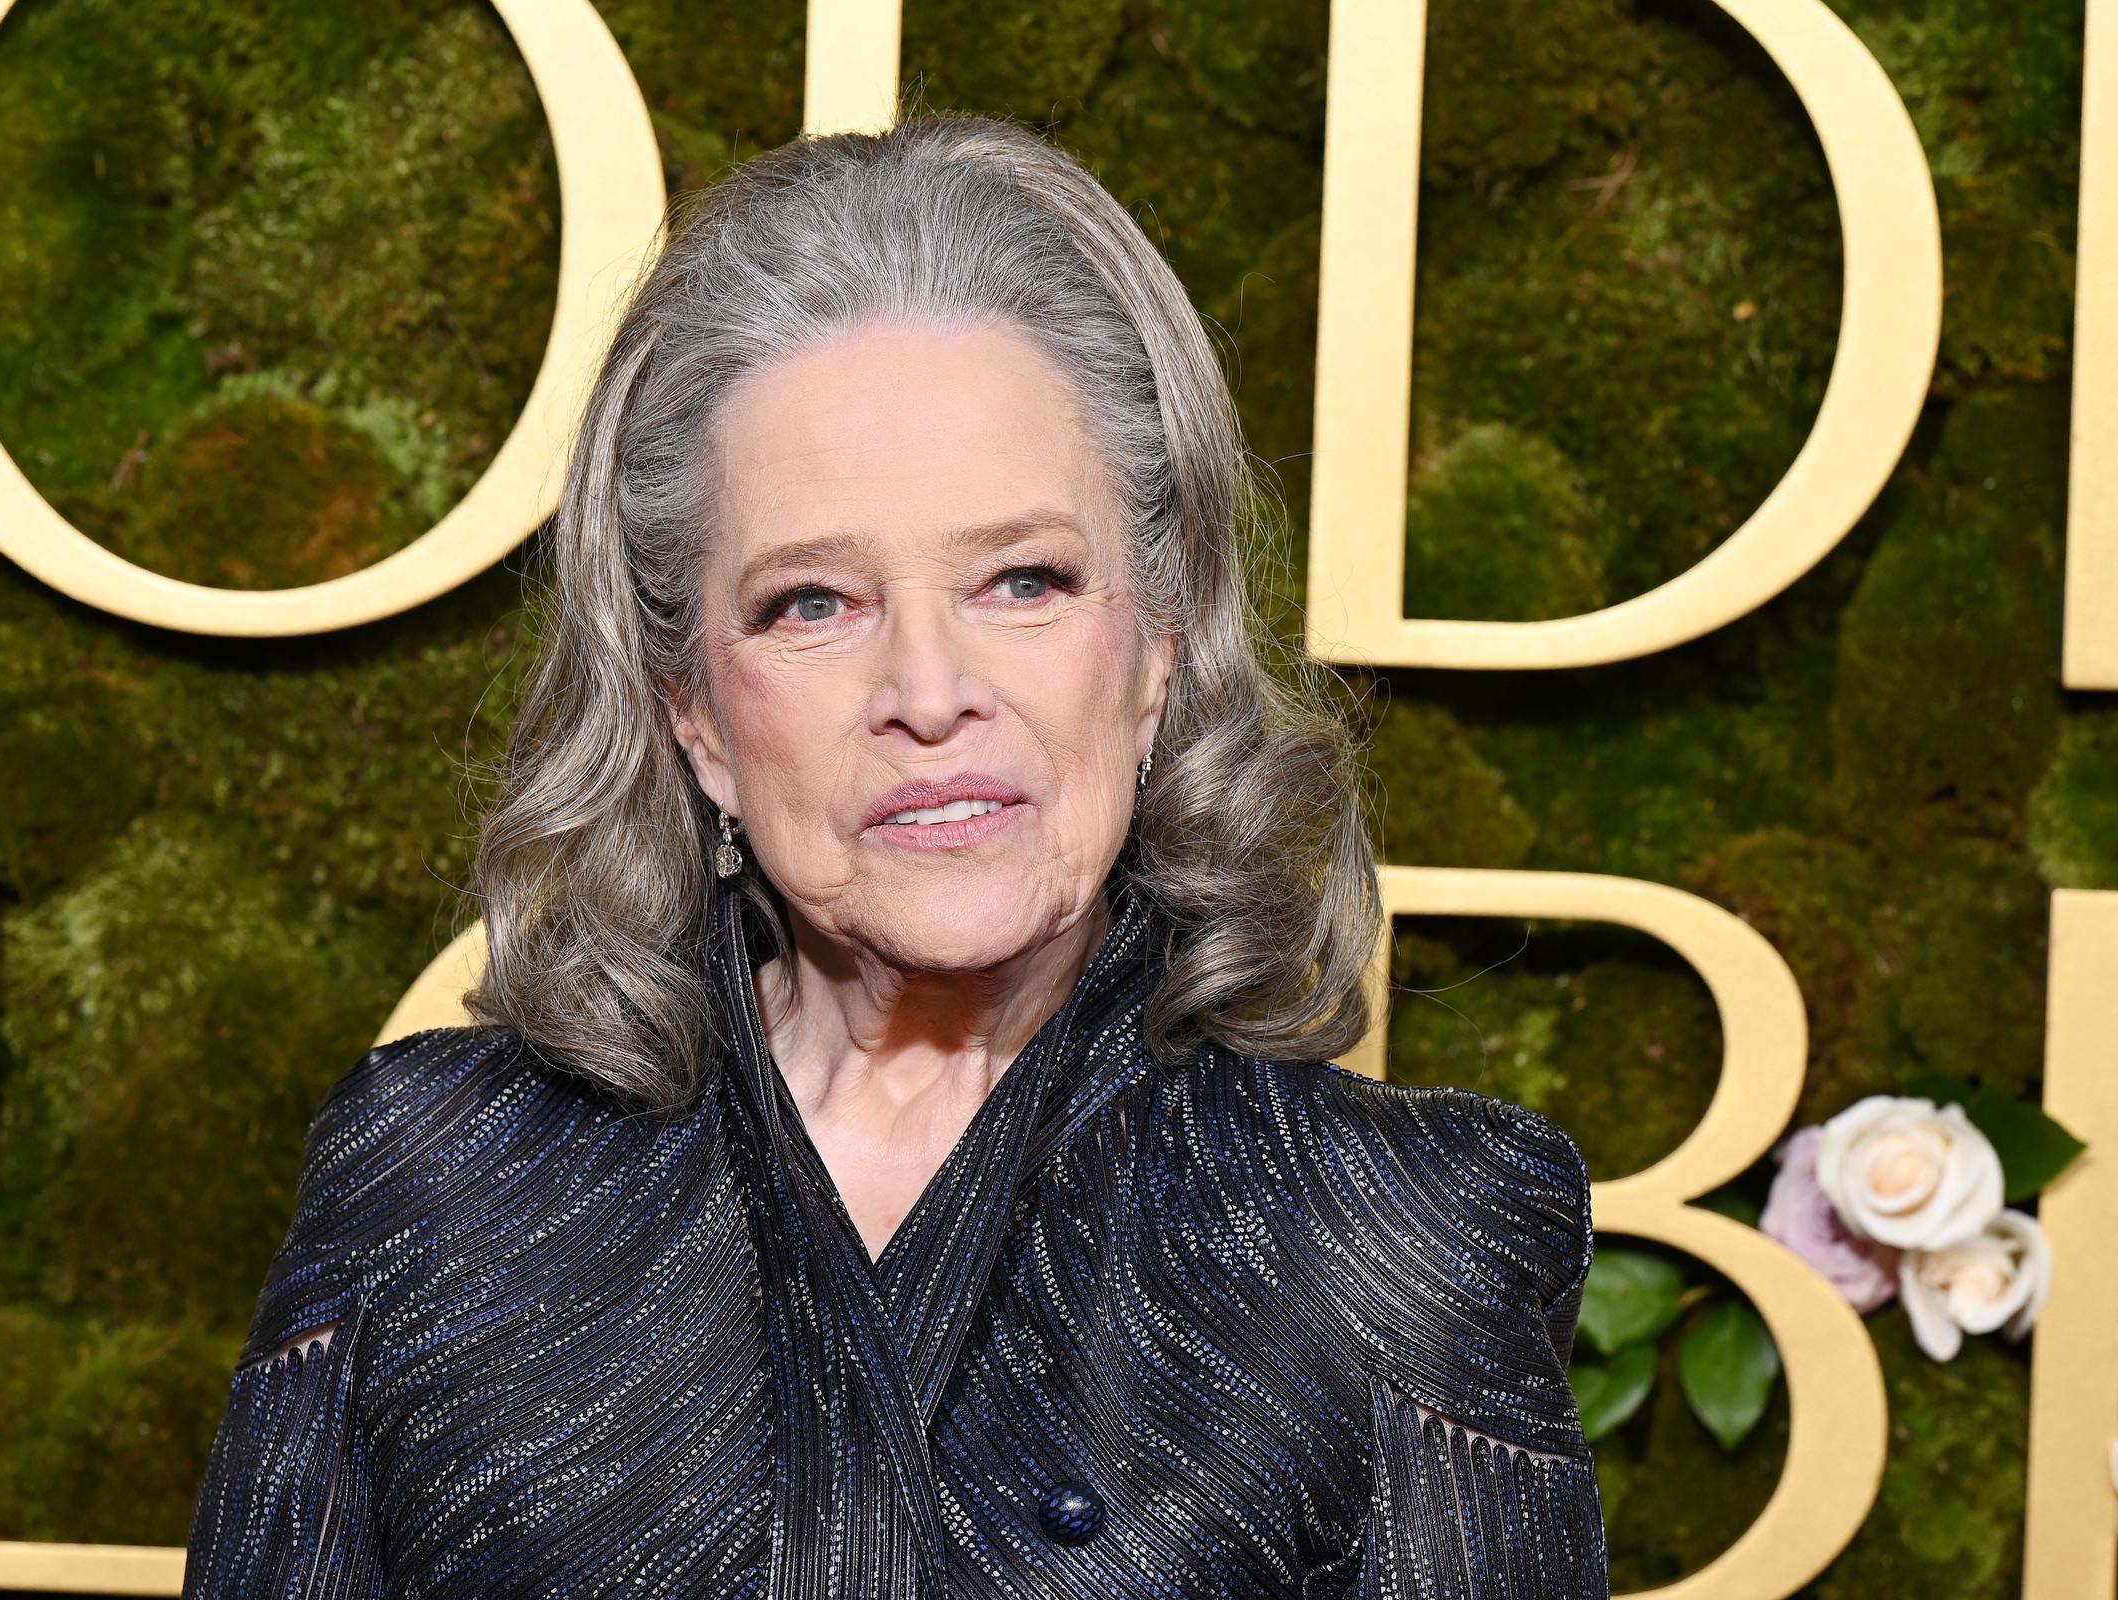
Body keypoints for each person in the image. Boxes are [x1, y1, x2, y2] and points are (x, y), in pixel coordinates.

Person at [182, 111, 1609, 1599]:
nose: (929, 692)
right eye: (813, 604)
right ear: (694, 712)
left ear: (1158, 648)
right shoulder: (438, 1191)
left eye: (1022, 580)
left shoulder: (1387, 1246)